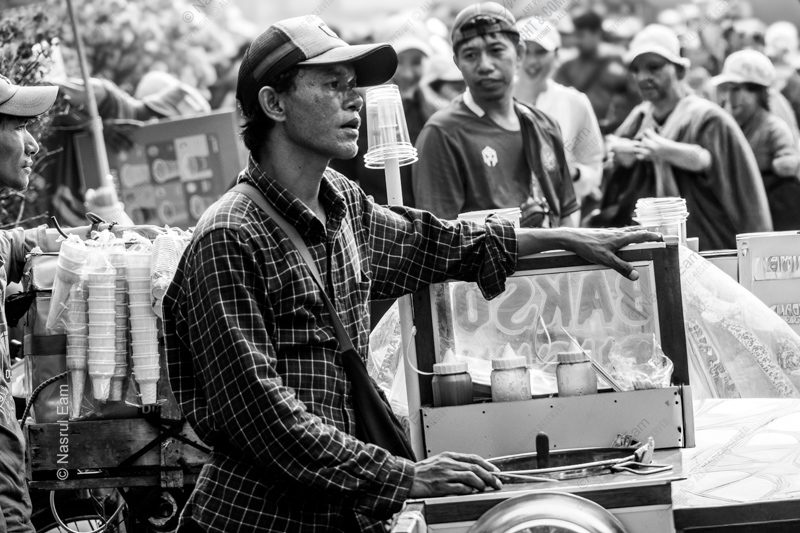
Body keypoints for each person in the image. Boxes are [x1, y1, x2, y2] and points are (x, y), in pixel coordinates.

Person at [162, 14, 661, 532]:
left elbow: (437, 243)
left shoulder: (343, 205)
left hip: (343, 511)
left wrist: (562, 237)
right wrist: (406, 476)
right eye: (332, 85)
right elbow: (261, 417)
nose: (354, 100)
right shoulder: (231, 235)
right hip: (261, 520)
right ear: (274, 103)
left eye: (353, 86)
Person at [599, 24, 772, 250]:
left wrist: (667, 151)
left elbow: (744, 198)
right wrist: (619, 158)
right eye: (637, 69)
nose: (643, 77)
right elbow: (608, 171)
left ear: (680, 71)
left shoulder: (708, 119)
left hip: (709, 251)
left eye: (654, 67)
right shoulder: (639, 118)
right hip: (652, 253)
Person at [413, 2, 579, 228]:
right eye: (471, 55)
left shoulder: (544, 126)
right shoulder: (442, 133)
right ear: (458, 63)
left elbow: (567, 216)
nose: (485, 65)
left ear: (519, 53)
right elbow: (442, 241)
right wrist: (521, 235)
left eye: (496, 50)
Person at [514, 16, 604, 221]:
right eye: (525, 51)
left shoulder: (575, 102)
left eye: (541, 52)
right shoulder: (497, 101)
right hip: (509, 219)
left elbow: (593, 162)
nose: (532, 61)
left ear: (556, 56)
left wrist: (574, 174)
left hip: (563, 219)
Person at [713, 49, 800, 230]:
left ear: (758, 93)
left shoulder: (773, 127)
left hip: (770, 213)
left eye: (737, 90)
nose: (730, 98)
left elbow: (788, 164)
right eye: (727, 90)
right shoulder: (722, 125)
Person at [554, 10, 639, 133]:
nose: (577, 41)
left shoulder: (619, 59)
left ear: (596, 33)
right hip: (576, 132)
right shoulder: (567, 66)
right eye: (575, 35)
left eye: (581, 35)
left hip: (612, 133)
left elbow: (634, 96)